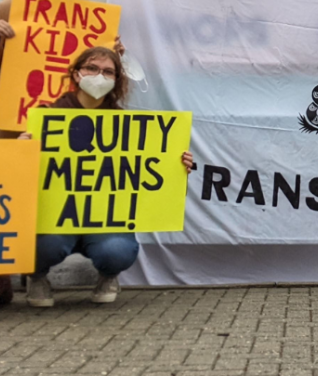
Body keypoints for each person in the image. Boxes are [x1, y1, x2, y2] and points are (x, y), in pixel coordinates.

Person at [18, 46, 193, 308]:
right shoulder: (46, 117)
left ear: (116, 79)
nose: (99, 75)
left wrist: (175, 165)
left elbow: (141, 172)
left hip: (105, 219)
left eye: (108, 71)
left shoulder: (126, 125)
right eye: (91, 68)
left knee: (116, 251)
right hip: (55, 217)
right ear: (76, 74)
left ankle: (108, 276)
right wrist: (22, 152)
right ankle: (37, 277)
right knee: (43, 246)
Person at [0, 0, 121, 305]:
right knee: (14, 198)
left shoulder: (89, 16)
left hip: (66, 122)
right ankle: (12, 277)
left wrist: (116, 53)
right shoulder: (11, 8)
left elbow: (102, 68)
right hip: (13, 122)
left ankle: (41, 271)